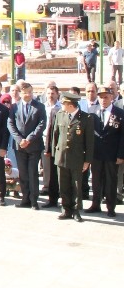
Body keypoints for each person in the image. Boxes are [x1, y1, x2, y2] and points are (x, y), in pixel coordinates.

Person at [52, 92, 94, 222]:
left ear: (70, 105)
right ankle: (65, 209)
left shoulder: (85, 118)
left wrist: (87, 160)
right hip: (61, 156)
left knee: (76, 185)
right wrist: (55, 154)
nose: (62, 105)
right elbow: (55, 135)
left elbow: (90, 141)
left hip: (77, 157)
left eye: (64, 103)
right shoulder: (60, 115)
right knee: (63, 184)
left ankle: (76, 211)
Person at [85, 84, 124, 217]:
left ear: (111, 97)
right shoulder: (92, 111)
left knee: (111, 181)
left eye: (106, 97)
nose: (103, 100)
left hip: (111, 154)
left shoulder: (119, 113)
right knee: (96, 180)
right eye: (101, 97)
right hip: (96, 153)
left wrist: (120, 154)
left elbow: (122, 137)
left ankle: (110, 207)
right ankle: (95, 204)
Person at [7, 82, 46, 209]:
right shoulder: (14, 107)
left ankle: (34, 200)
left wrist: (29, 139)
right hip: (20, 147)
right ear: (20, 93)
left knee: (32, 173)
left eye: (30, 92)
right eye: (25, 92)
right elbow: (11, 124)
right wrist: (20, 140)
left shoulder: (39, 106)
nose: (28, 95)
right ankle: (25, 199)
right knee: (23, 174)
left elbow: (42, 124)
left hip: (34, 146)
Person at [41, 85, 62, 208]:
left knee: (56, 171)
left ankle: (58, 194)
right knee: (47, 169)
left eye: (53, 93)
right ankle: (50, 193)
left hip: (56, 143)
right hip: (43, 140)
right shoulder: (42, 107)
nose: (51, 95)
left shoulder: (61, 108)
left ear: (57, 94)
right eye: (48, 93)